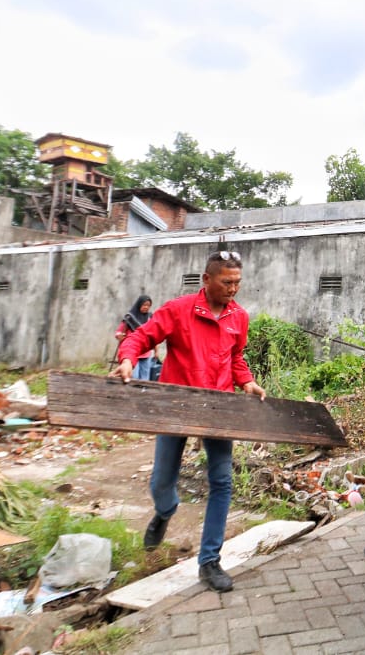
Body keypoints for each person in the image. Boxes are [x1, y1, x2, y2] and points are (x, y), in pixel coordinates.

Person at [113, 250, 267, 592]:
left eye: (238, 283)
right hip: (177, 405)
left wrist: (247, 382)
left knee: (222, 481)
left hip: (218, 408)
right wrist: (127, 360)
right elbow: (140, 337)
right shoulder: (178, 310)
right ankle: (165, 511)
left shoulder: (238, 317)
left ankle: (209, 561)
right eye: (226, 282)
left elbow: (236, 357)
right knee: (161, 481)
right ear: (207, 279)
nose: (233, 289)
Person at [114, 295, 156, 381]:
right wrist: (120, 336)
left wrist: (156, 351)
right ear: (139, 304)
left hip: (146, 353)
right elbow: (119, 331)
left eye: (148, 305)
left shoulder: (150, 318)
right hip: (132, 354)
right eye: (144, 305)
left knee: (145, 378)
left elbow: (154, 335)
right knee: (133, 377)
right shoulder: (130, 318)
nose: (146, 307)